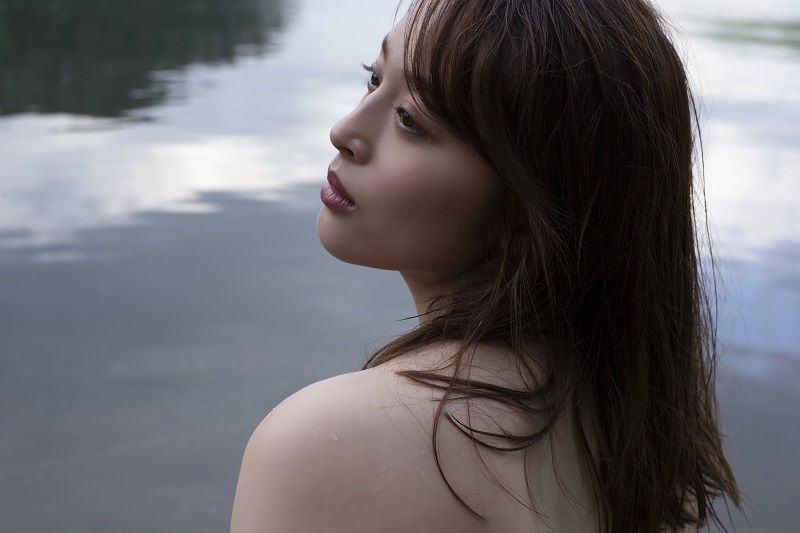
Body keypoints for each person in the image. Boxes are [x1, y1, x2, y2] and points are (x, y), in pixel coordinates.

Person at [230, 0, 741, 531]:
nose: (344, 130)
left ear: (527, 211)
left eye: (409, 119)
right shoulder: (652, 466)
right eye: (374, 78)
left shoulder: (326, 444)